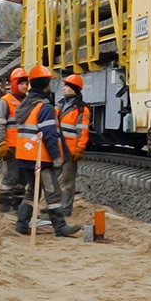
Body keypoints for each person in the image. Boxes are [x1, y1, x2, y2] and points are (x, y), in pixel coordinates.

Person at [13, 65, 80, 237]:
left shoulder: (26, 105)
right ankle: (60, 227)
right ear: (45, 85)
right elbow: (49, 134)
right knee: (53, 191)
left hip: (25, 156)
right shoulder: (44, 107)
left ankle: (21, 224)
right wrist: (56, 156)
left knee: (32, 190)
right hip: (40, 157)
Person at [0, 67, 28, 212]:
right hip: (11, 146)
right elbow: (0, 123)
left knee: (22, 178)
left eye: (26, 83)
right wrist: (2, 143)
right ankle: (5, 206)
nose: (24, 86)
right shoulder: (5, 101)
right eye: (21, 83)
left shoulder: (27, 101)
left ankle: (17, 205)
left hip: (25, 147)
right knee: (10, 177)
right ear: (14, 83)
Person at [57, 73, 90, 217]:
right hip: (56, 149)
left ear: (74, 89)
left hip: (70, 151)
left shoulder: (82, 110)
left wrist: (80, 148)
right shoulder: (60, 105)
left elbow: (82, 131)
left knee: (67, 181)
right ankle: (55, 206)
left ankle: (65, 209)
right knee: (53, 179)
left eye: (67, 86)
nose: (64, 88)